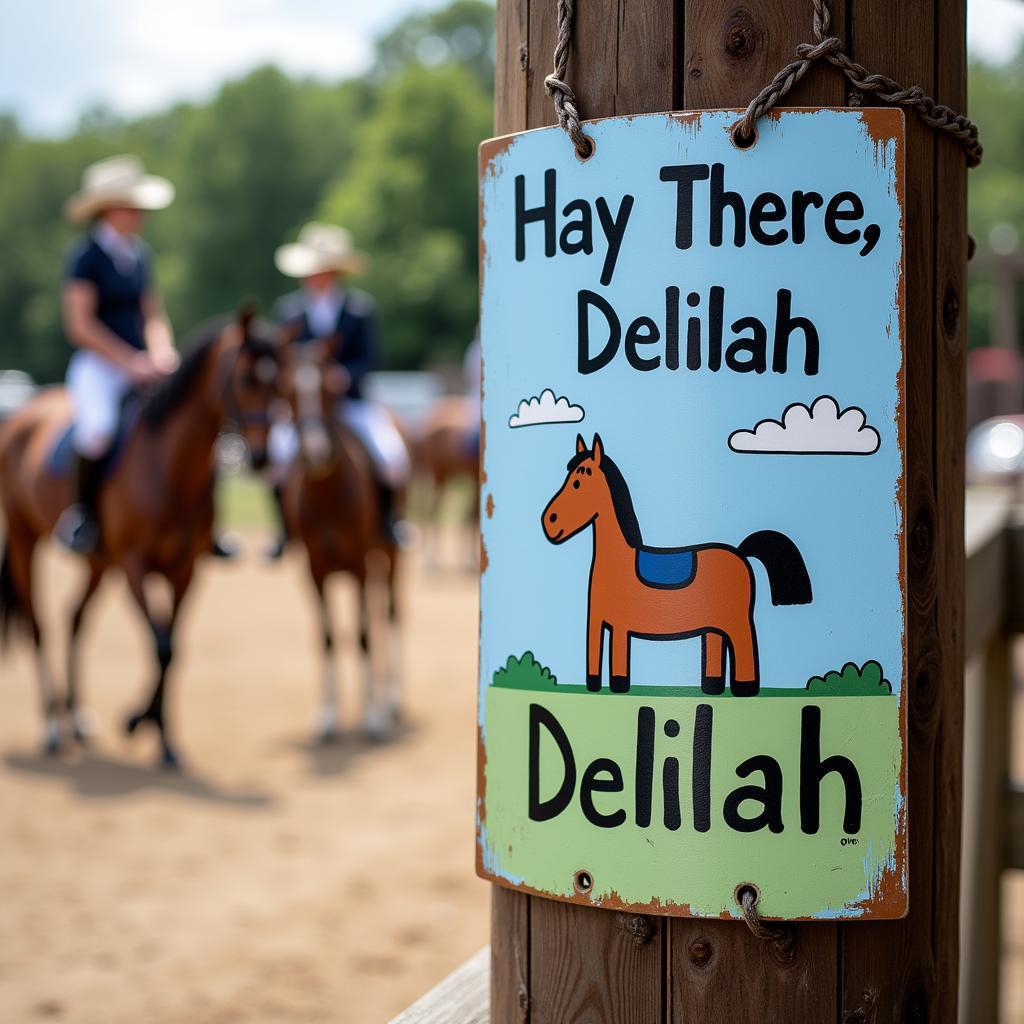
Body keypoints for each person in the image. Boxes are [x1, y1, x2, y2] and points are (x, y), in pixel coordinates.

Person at [56, 155, 179, 554]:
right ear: (109, 209)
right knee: (98, 432)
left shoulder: (140, 254)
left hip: (142, 365)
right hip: (99, 367)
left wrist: (162, 352)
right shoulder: (85, 257)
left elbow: (152, 312)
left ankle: (197, 521)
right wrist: (130, 361)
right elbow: (81, 326)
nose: (140, 214)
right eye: (133, 206)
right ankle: (83, 516)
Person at [268, 222, 411, 556]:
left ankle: (389, 522)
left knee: (392, 456)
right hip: (304, 408)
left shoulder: (360, 310)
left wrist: (343, 376)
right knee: (277, 457)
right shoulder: (289, 312)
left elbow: (370, 357)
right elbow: (283, 360)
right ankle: (284, 530)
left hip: (351, 403)